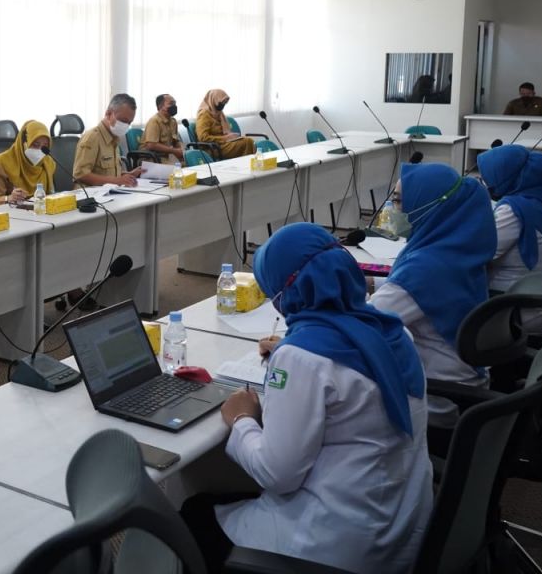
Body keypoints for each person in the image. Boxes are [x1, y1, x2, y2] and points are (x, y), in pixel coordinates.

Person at [181, 223, 432, 574]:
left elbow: (276, 474)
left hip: (330, 547)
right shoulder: (394, 331)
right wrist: (294, 348)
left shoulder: (304, 358)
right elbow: (348, 371)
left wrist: (242, 419)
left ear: (287, 292)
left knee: (190, 517)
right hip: (399, 526)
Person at [368, 163, 496, 428]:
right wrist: (372, 282)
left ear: (428, 206)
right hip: (464, 382)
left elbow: (365, 325)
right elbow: (414, 293)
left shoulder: (425, 267)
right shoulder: (453, 246)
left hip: (437, 398)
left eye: (399, 199)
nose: (392, 207)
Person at [477, 144, 542, 334]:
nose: (486, 183)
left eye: (488, 177)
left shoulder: (514, 210)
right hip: (539, 307)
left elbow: (473, 252)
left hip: (514, 313)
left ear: (507, 176)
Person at [73, 93, 144, 187]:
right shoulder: (92, 137)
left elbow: (109, 174)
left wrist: (128, 175)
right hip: (92, 197)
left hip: (111, 194)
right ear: (108, 114)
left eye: (129, 122)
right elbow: (80, 175)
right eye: (123, 120)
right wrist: (117, 181)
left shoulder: (114, 138)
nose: (126, 125)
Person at [0, 120, 56, 207]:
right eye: (35, 145)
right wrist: (9, 198)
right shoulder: (0, 163)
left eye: (44, 146)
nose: (39, 150)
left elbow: (49, 195)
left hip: (39, 213)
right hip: (8, 215)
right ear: (23, 143)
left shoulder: (48, 163)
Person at [195, 89, 255, 159]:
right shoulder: (204, 114)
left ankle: (246, 164)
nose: (223, 105)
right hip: (213, 148)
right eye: (222, 102)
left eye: (225, 103)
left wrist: (231, 137)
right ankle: (246, 164)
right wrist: (225, 138)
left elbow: (225, 133)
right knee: (247, 142)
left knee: (247, 140)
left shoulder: (219, 113)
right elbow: (203, 138)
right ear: (214, 100)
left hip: (223, 144)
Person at [140, 94, 184, 164]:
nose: (174, 106)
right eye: (171, 104)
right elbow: (151, 145)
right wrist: (174, 151)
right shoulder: (154, 121)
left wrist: (182, 152)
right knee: (175, 171)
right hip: (150, 158)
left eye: (175, 103)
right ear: (161, 106)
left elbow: (176, 142)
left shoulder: (173, 121)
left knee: (189, 164)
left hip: (165, 157)